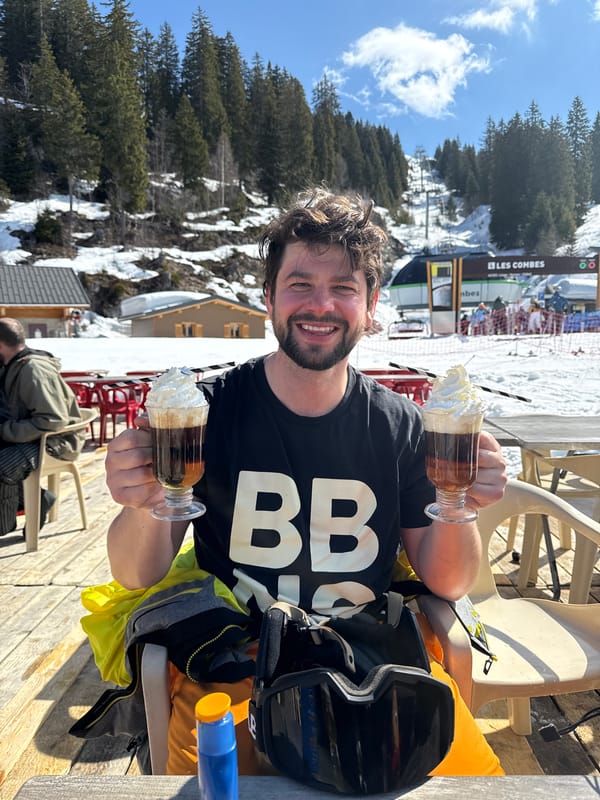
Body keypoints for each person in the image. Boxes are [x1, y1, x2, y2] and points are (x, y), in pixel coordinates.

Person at [104, 189, 507, 778]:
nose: (320, 305)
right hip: (237, 657)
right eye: (299, 284)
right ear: (267, 297)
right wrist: (142, 501)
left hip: (374, 655)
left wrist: (462, 505)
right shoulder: (203, 412)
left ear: (370, 307)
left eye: (344, 287)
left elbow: (448, 578)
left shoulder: (401, 426)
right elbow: (135, 573)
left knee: (477, 789)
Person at [0, 318, 85, 536]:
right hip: (34, 438)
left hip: (56, 442)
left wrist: (5, 431)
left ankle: (8, 520)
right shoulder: (11, 365)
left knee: (2, 463)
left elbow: (52, 420)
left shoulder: (33, 369)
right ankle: (38, 499)